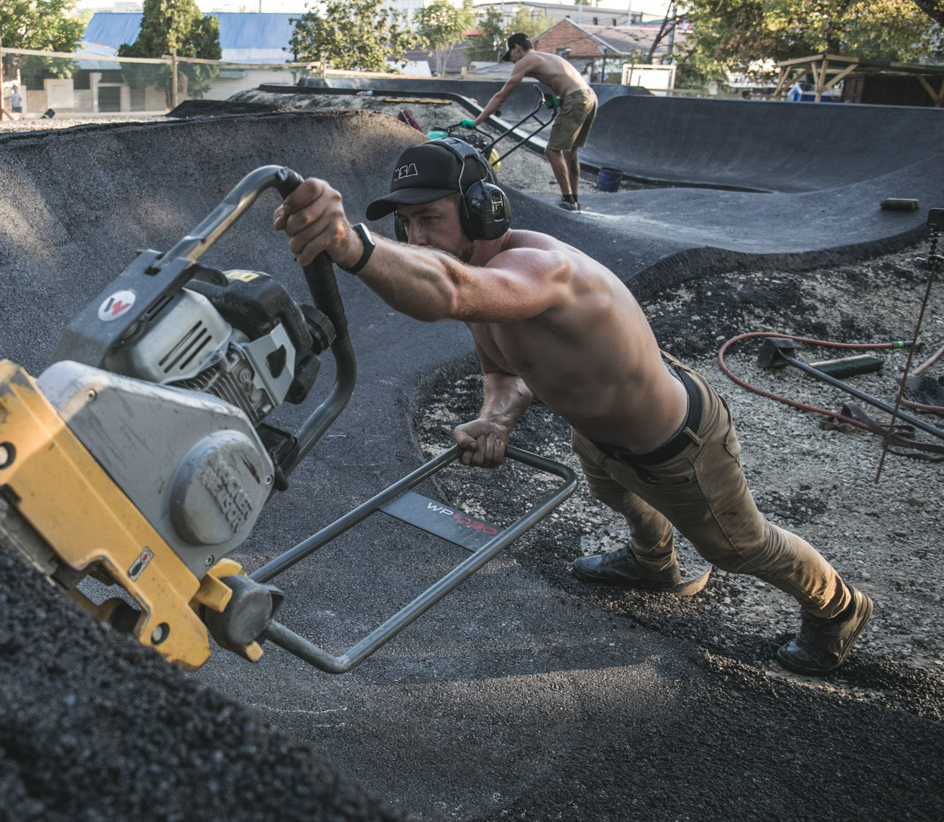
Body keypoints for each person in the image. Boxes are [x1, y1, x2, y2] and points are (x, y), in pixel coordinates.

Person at [272, 139, 874, 676]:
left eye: (430, 218)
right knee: (615, 494)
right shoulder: (482, 278)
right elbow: (504, 370)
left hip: (675, 443)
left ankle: (839, 606)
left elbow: (448, 292)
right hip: (597, 433)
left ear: (486, 211)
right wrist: (496, 417)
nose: (418, 238)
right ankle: (653, 562)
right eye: (406, 224)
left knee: (739, 548)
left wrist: (352, 245)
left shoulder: (541, 267)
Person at [472, 33, 596, 212]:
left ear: (517, 48)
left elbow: (501, 96)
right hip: (589, 96)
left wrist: (477, 121)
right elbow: (566, 81)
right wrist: (558, 99)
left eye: (511, 57)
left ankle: (568, 200)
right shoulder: (548, 57)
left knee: (552, 150)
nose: (513, 62)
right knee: (571, 151)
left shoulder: (526, 60)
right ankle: (574, 199)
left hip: (576, 99)